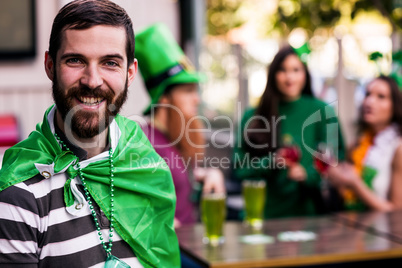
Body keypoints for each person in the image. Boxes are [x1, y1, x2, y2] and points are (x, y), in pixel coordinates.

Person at [0, 1, 180, 267]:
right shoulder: (19, 195)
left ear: (130, 73)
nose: (92, 80)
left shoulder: (145, 166)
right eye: (75, 60)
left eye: (110, 62)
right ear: (50, 66)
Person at [233, 45, 346, 219]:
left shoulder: (323, 112)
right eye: (282, 70)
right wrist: (271, 162)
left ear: (305, 74)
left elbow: (335, 157)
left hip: (308, 215)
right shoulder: (252, 117)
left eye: (296, 70)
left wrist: (308, 174)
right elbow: (239, 168)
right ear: (272, 75)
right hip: (261, 214)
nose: (289, 77)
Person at [134, 23, 226, 228]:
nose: (197, 99)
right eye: (188, 91)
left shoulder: (173, 135)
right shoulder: (143, 143)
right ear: (164, 98)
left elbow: (181, 178)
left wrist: (211, 173)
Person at [327, 75, 402, 211]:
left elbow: (397, 213)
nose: (370, 101)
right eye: (367, 94)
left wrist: (356, 184)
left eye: (381, 97)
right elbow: (349, 199)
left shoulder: (397, 148)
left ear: (395, 105)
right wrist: (338, 179)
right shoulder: (357, 145)